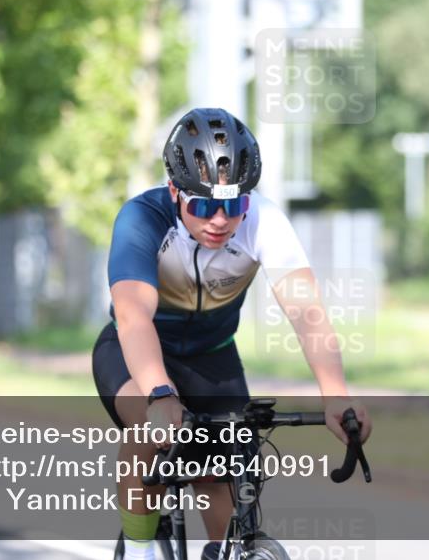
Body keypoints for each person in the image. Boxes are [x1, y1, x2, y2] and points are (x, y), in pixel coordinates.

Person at [93, 107, 372, 560]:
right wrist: (160, 393)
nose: (220, 220)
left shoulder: (266, 220)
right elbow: (134, 317)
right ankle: (141, 549)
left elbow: (307, 313)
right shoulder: (141, 218)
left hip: (212, 358)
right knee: (149, 428)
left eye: (235, 205)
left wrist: (336, 395)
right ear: (174, 191)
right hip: (134, 352)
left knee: (222, 487)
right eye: (204, 205)